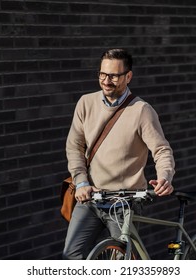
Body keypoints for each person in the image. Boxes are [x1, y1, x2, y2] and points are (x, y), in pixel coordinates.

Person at [63, 48, 175, 259]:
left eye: (114, 75)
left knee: (121, 263)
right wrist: (81, 181)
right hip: (90, 197)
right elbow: (74, 146)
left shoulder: (142, 110)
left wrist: (165, 176)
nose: (106, 81)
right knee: (71, 257)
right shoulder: (85, 103)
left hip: (124, 203)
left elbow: (161, 150)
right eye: (102, 74)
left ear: (128, 76)